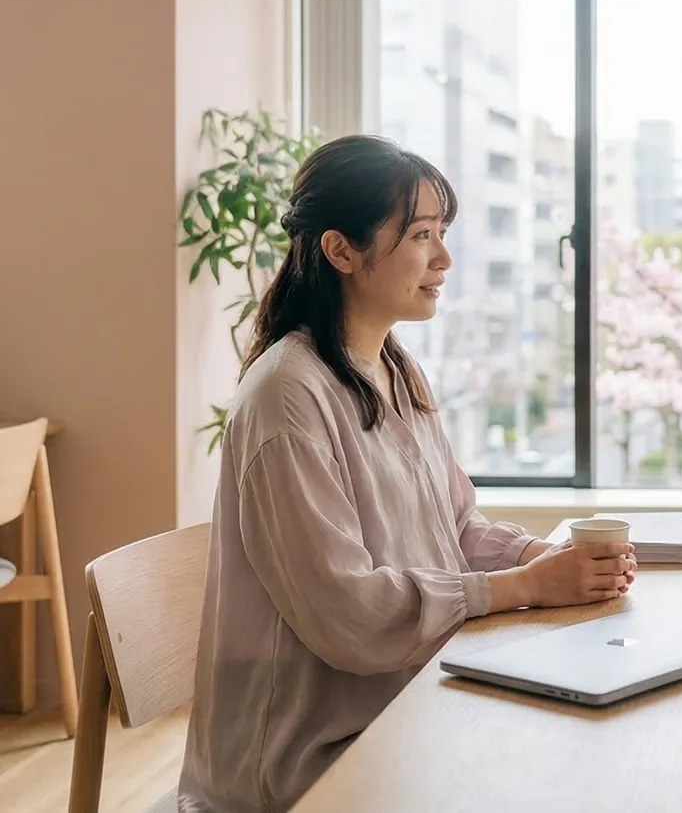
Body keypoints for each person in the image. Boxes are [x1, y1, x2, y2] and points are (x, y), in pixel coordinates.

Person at [178, 135, 636, 812]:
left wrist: (544, 558)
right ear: (341, 250)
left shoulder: (392, 367)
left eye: (441, 233)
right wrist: (525, 586)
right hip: (307, 762)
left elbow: (453, 524)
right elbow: (350, 617)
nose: (444, 258)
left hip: (403, 709)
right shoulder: (287, 397)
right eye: (422, 234)